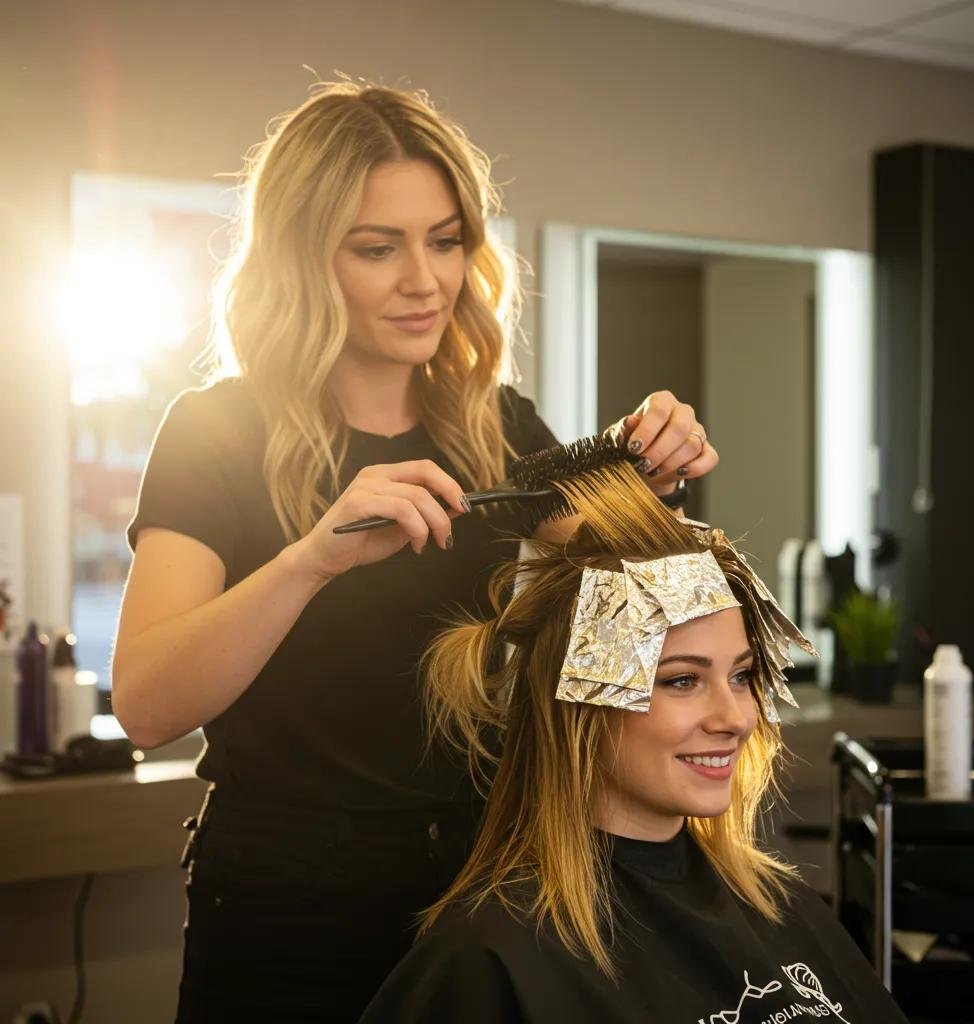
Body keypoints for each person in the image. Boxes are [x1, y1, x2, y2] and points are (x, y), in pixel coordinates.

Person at [111, 78, 718, 1023]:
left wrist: (649, 483)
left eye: (445, 240)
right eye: (376, 248)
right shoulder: (216, 432)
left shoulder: (495, 428)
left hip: (476, 896)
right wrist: (312, 558)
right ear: (303, 259)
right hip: (283, 914)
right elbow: (147, 704)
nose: (425, 280)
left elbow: (630, 637)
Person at [358, 461, 910, 1023]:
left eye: (741, 676)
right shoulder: (493, 958)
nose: (735, 716)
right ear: (582, 705)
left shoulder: (780, 905)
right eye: (681, 680)